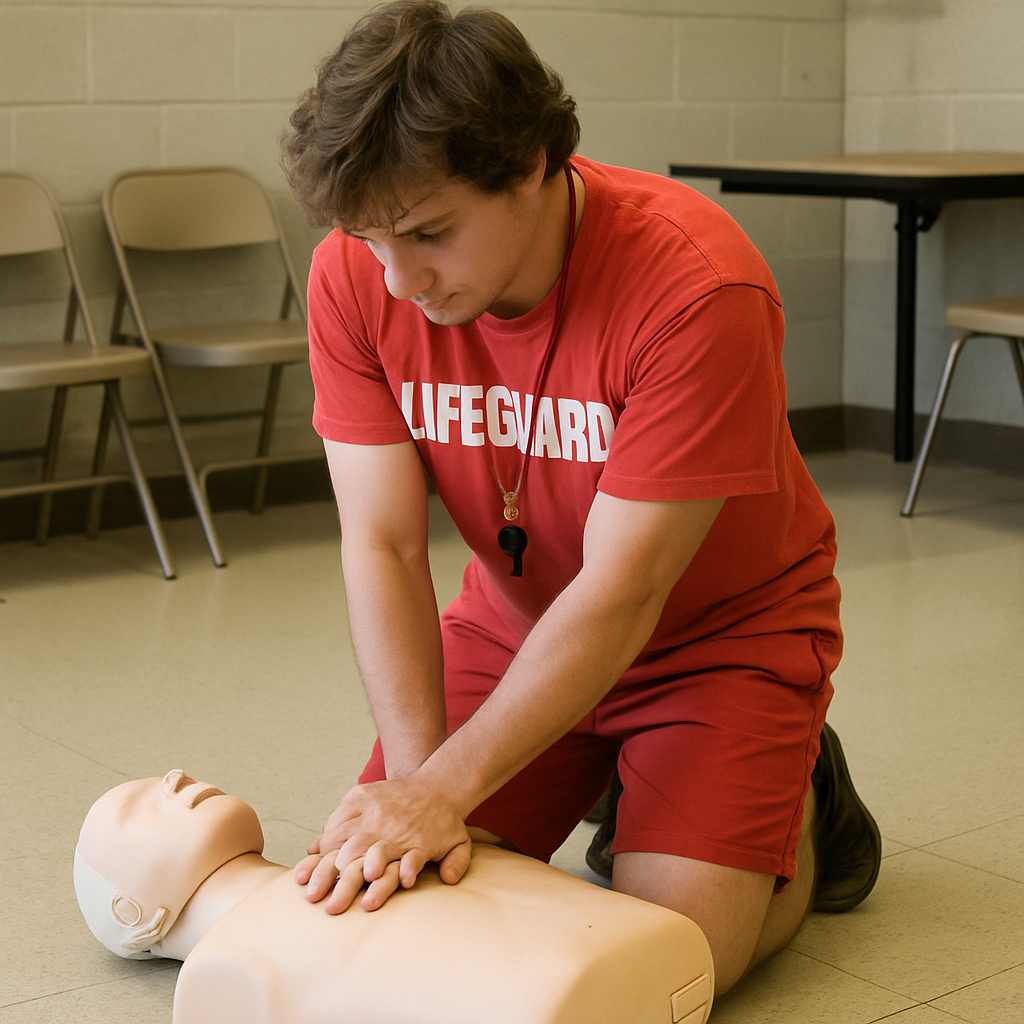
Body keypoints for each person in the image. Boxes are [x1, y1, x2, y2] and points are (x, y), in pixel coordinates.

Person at [281, 0, 881, 996]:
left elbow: (625, 587)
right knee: (401, 897)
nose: (397, 280)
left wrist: (443, 789)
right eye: (370, 239)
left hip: (717, 639)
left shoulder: (696, 286)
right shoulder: (356, 275)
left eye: (430, 233)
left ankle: (803, 804)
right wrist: (425, 789)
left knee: (667, 961)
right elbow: (382, 544)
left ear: (528, 165)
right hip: (515, 625)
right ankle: (619, 773)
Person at [73, 771, 716, 1024]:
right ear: (134, 916)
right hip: (587, 982)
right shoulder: (223, 972)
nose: (174, 778)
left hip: (602, 956)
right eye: (138, 806)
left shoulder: (362, 847)